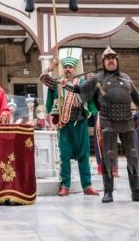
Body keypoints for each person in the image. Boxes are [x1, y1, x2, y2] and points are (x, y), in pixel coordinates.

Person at [64, 47, 139, 204]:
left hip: (127, 121)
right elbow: (80, 89)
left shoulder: (126, 78)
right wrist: (67, 85)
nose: (111, 60)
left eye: (113, 58)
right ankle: (108, 192)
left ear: (117, 61)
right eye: (107, 58)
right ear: (103, 62)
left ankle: (137, 192)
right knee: (108, 157)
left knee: (133, 155)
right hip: (108, 121)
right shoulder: (97, 78)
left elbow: (137, 98)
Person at [41, 52, 99, 197]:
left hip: (80, 123)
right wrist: (52, 66)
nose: (68, 69)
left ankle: (87, 185)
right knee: (64, 155)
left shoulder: (82, 84)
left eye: (70, 67)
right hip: (64, 125)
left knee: (84, 155)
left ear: (74, 70)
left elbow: (94, 93)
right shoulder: (57, 83)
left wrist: (93, 81)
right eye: (65, 67)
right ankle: (65, 185)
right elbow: (42, 78)